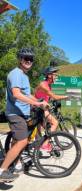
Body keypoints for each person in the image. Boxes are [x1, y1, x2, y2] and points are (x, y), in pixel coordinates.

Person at [0, 47, 48, 182]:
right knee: (22, 141)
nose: (28, 61)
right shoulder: (15, 74)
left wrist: (38, 101)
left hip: (22, 113)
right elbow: (16, 94)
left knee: (18, 141)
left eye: (31, 59)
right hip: (16, 114)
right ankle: (2, 171)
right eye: (25, 58)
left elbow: (27, 95)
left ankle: (17, 164)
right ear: (20, 60)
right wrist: (37, 104)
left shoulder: (24, 76)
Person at [34, 66, 69, 151]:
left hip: (40, 108)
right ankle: (45, 145)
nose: (57, 76)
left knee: (42, 126)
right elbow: (54, 96)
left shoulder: (48, 85)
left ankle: (38, 144)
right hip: (38, 108)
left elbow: (47, 97)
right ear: (49, 75)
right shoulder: (44, 85)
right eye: (55, 75)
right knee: (55, 123)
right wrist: (66, 97)